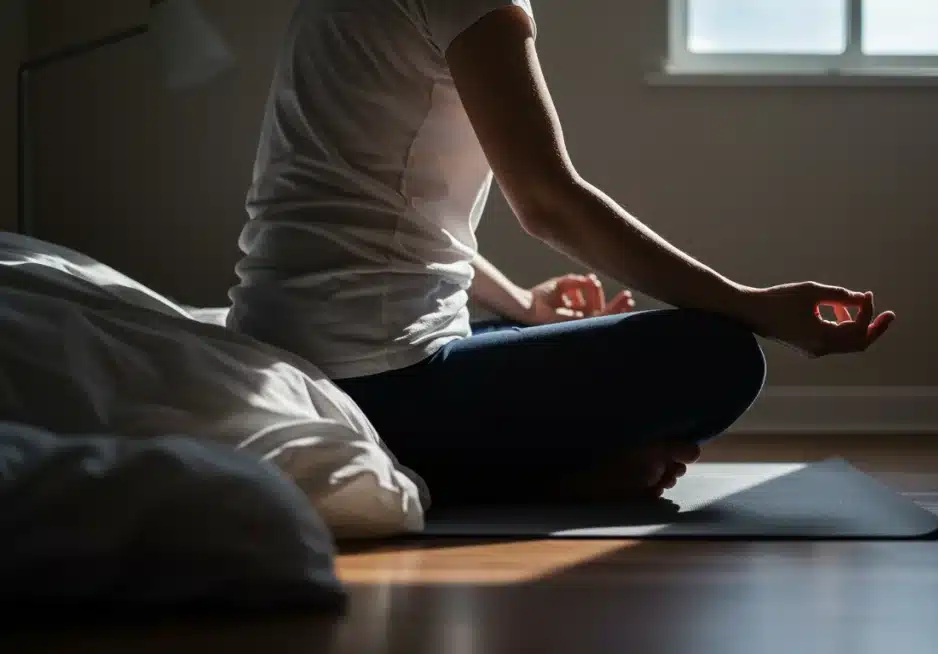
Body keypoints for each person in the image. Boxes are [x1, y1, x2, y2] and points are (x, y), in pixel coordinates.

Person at [228, 0, 896, 506]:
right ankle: (547, 475)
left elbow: (370, 215)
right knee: (719, 354)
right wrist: (752, 306)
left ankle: (557, 462)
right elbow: (547, 200)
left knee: (587, 344)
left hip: (286, 355)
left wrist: (521, 307)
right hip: (379, 390)